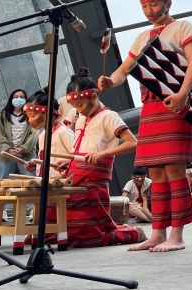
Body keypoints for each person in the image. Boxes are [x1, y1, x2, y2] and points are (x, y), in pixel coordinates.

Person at [99, 0, 192, 253]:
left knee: (175, 170)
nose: (149, 10)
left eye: (153, 4)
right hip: (151, 108)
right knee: (155, 171)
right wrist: (110, 81)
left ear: (167, 2)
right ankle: (158, 232)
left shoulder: (182, 28)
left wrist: (182, 94)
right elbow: (123, 70)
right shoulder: (143, 36)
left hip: (176, 104)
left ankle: (176, 235)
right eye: (144, 6)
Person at [57, 68, 145, 248]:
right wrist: (70, 160)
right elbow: (80, 148)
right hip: (75, 173)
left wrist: (103, 154)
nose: (78, 109)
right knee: (59, 218)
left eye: (80, 104)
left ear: (93, 96)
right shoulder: (80, 118)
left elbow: (133, 142)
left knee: (86, 232)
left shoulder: (109, 116)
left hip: (93, 179)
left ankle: (132, 233)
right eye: (75, 106)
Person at [22, 90, 74, 178]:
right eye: (28, 116)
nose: (30, 120)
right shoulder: (42, 135)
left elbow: (79, 161)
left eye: (33, 115)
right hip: (47, 185)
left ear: (46, 114)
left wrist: (63, 174)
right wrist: (38, 165)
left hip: (62, 185)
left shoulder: (64, 132)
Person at [0, 89, 37, 178]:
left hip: (26, 154)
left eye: (22, 97)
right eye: (16, 97)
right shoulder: (4, 115)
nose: (19, 99)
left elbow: (34, 135)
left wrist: (23, 148)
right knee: (3, 181)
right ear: (11, 99)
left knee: (31, 181)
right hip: (6, 155)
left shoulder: (30, 114)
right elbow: (0, 135)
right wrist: (9, 150)